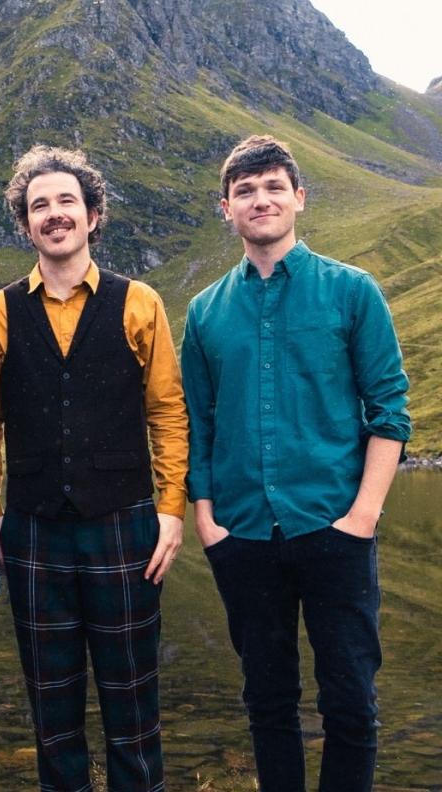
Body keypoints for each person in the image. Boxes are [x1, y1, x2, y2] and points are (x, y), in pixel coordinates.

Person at [181, 135, 411, 792]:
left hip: (335, 526)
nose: (261, 199)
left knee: (351, 702)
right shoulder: (205, 312)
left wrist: (363, 517)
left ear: (299, 198)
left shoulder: (351, 292)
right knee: (268, 702)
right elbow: (199, 423)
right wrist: (208, 522)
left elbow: (390, 411)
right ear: (226, 207)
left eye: (274, 187)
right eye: (245, 190)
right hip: (243, 534)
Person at [0, 146, 188, 791]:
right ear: (25, 223)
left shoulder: (139, 302)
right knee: (51, 708)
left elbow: (167, 410)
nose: (54, 214)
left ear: (92, 215)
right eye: (39, 206)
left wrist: (171, 510)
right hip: (33, 530)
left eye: (67, 201)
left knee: (133, 701)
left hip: (126, 524)